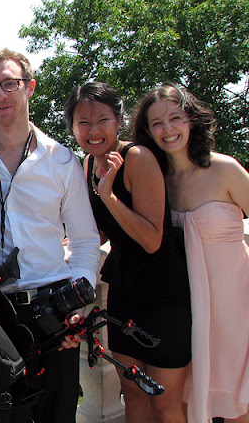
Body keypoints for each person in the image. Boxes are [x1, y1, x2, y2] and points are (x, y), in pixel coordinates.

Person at [0, 49, 101, 423]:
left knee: (58, 415)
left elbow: (85, 242)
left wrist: (77, 305)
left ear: (30, 87)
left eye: (10, 84)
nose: (0, 95)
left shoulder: (62, 160)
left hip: (53, 311)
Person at [64, 82, 192, 423]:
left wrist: (108, 195)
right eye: (83, 122)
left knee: (165, 403)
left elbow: (151, 239)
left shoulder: (137, 158)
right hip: (124, 290)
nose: (93, 131)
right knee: (133, 394)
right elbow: (107, 227)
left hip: (164, 293)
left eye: (102, 120)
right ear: (73, 127)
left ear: (119, 120)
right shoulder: (88, 164)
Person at [133, 83, 249, 423]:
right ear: (148, 131)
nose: (167, 129)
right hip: (189, 314)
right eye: (157, 123)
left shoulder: (224, 169)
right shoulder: (158, 182)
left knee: (240, 403)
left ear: (191, 119)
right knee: (191, 399)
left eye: (175, 118)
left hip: (237, 308)